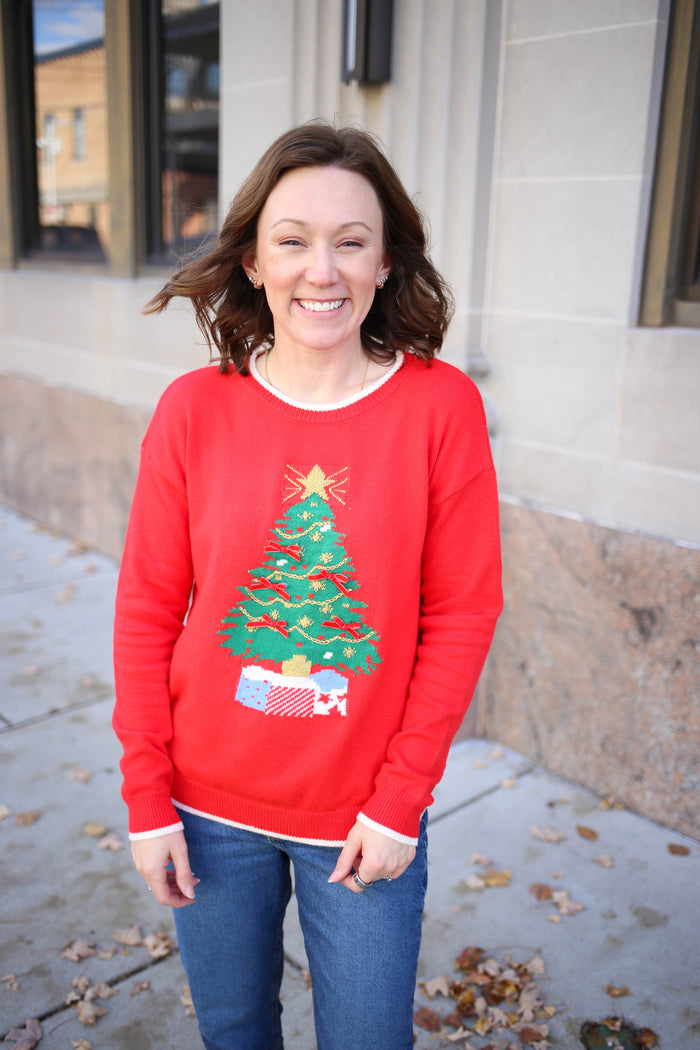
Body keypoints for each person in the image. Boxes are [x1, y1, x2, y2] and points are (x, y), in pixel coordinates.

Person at [112, 121, 502, 1050]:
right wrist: (145, 798)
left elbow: (461, 611)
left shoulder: (440, 408)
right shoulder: (194, 411)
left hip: (362, 819)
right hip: (205, 809)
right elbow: (147, 609)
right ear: (253, 260)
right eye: (292, 240)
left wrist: (401, 798)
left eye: (350, 242)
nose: (320, 270)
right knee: (236, 1030)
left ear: (384, 264)